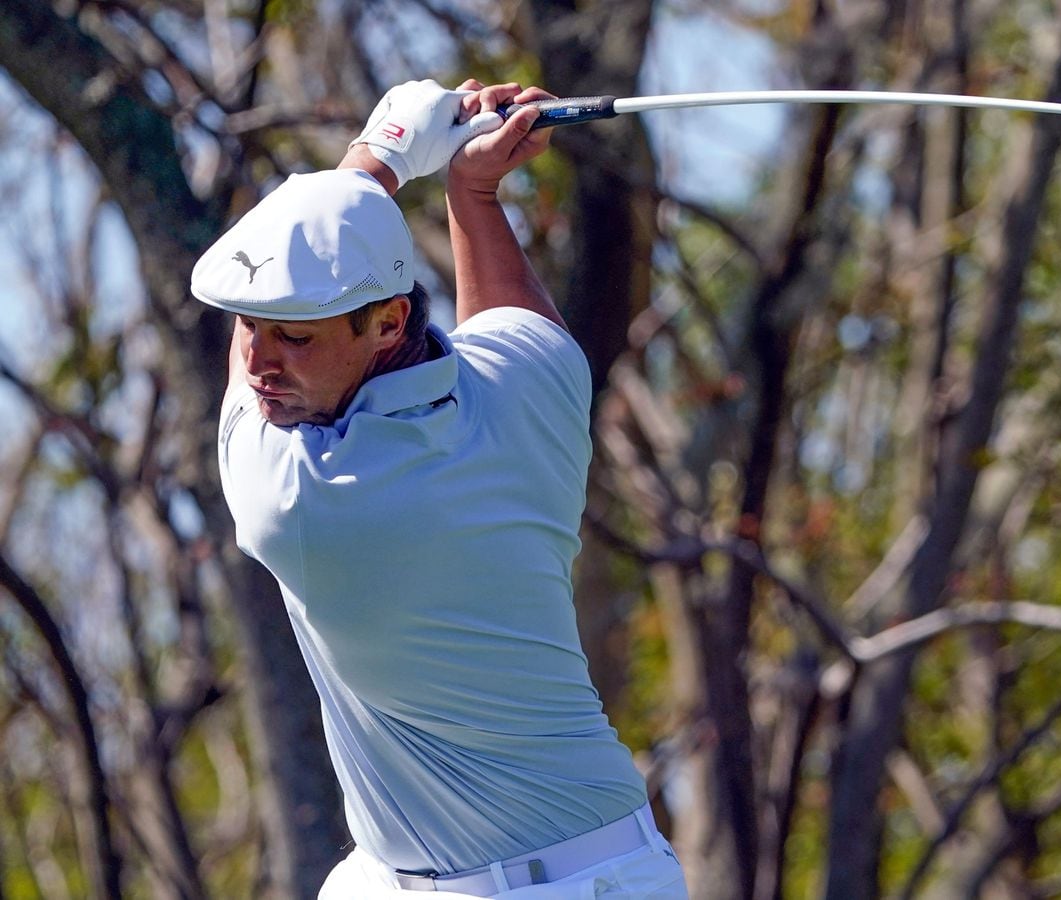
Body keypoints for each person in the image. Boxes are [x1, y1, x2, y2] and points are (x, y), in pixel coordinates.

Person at [190, 78, 689, 898]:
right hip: (574, 862)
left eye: (293, 336)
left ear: (389, 323)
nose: (256, 362)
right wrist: (474, 190)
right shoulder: (537, 386)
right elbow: (512, 325)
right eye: (248, 324)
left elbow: (257, 375)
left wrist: (384, 151)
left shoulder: (301, 499)